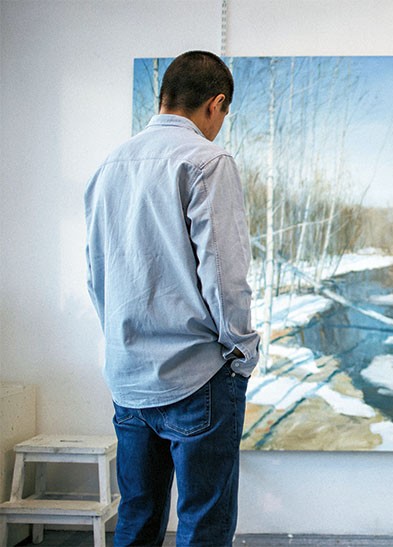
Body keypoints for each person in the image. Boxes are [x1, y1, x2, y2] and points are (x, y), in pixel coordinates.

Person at [85, 50, 260, 546]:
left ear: (164, 97)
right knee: (203, 526)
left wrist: (121, 344)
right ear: (216, 104)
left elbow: (97, 274)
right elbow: (225, 275)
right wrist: (242, 351)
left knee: (136, 520)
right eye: (223, 115)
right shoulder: (207, 161)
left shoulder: (110, 165)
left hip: (128, 379)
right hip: (196, 376)